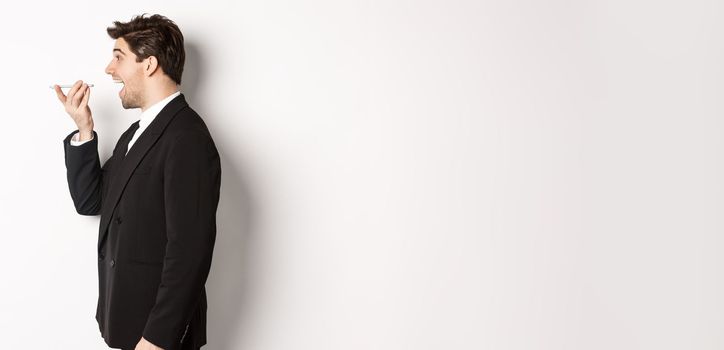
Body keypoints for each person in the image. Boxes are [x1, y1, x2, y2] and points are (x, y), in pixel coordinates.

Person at [54, 14, 221, 350]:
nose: (108, 69)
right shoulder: (137, 133)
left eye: (118, 57)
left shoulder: (186, 137)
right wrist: (84, 130)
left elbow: (190, 252)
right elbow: (92, 201)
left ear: (149, 64)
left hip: (159, 337)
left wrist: (157, 338)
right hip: (128, 323)